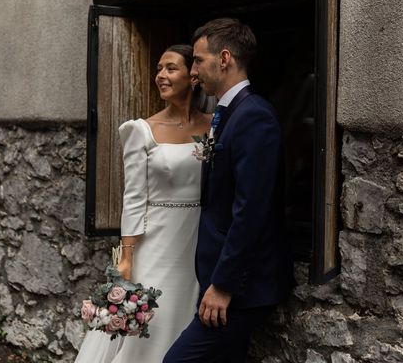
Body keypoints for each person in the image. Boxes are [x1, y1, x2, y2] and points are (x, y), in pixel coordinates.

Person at [164, 18, 294, 363]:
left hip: (241, 288)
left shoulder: (255, 116)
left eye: (198, 60)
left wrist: (223, 286)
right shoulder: (226, 113)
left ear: (224, 59)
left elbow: (251, 209)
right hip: (221, 281)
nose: (193, 71)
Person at [75, 45, 212, 363]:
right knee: (152, 320)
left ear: (192, 76)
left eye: (171, 68)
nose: (161, 75)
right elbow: (134, 197)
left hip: (196, 240)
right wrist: (127, 257)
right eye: (159, 68)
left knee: (183, 318)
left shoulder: (214, 126)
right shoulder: (141, 130)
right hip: (155, 241)